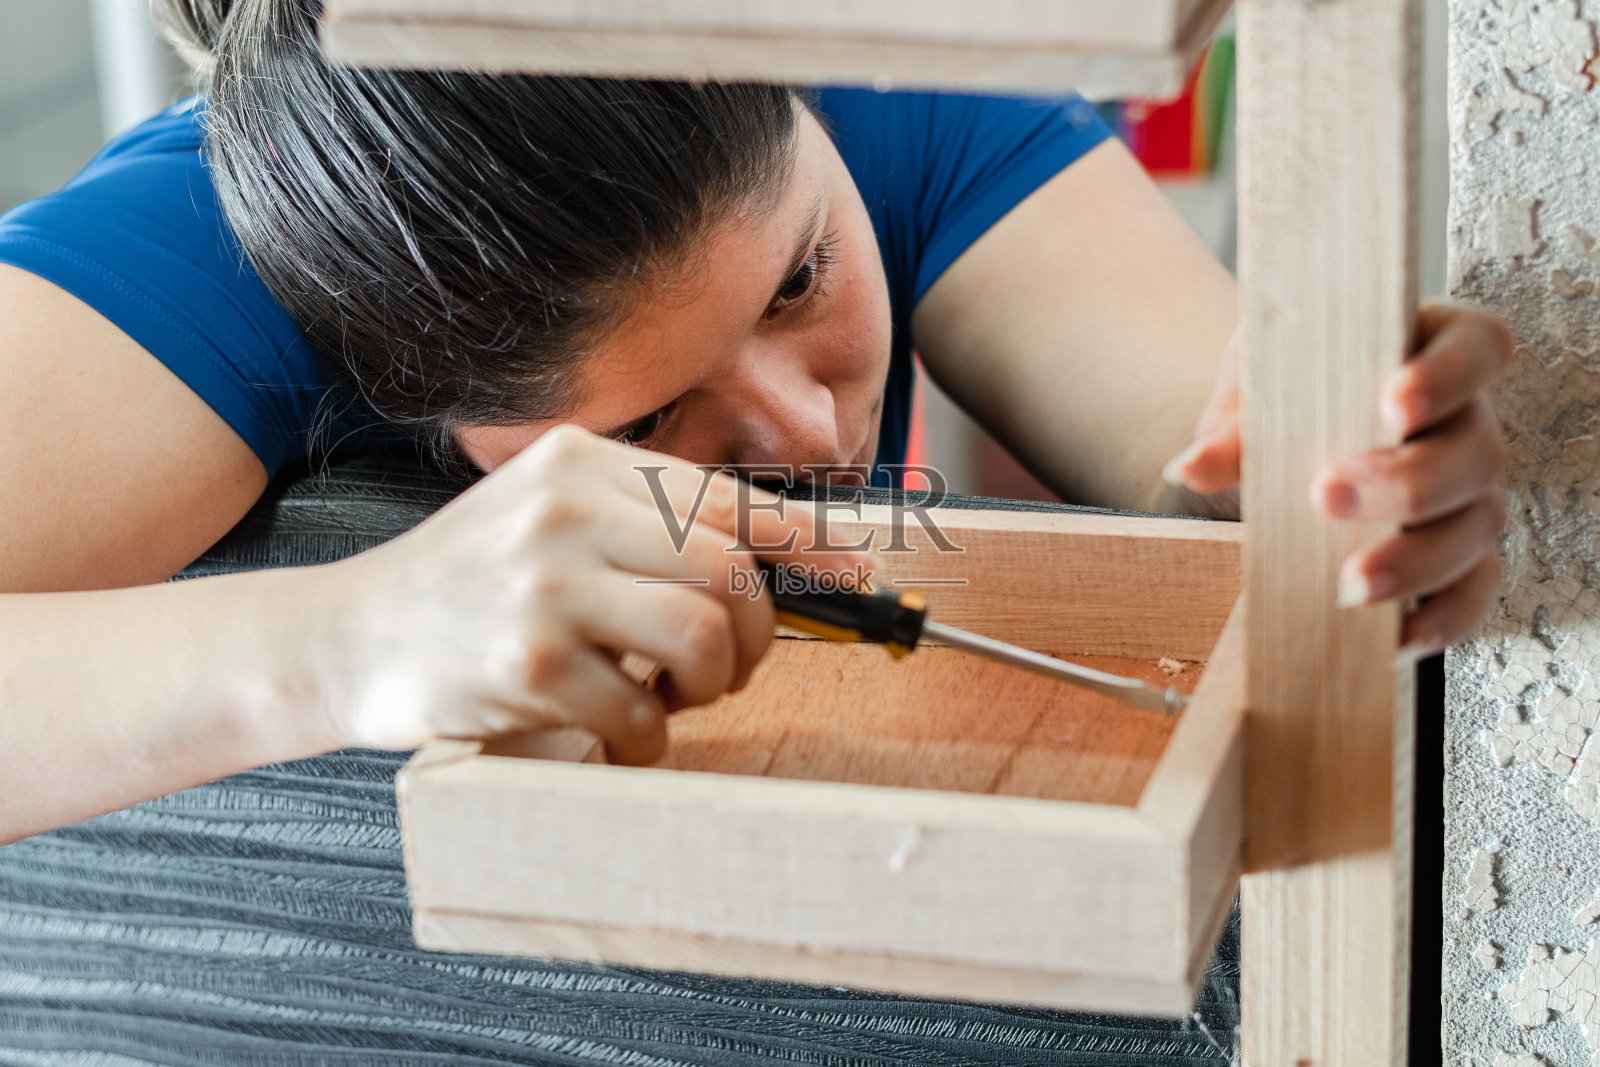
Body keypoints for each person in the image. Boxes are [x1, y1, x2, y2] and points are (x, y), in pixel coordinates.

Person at [0, 0, 1510, 845]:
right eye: (649, 413)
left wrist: (1351, 466)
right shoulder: (206, 260)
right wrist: (342, 643)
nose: (799, 428)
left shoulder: (880, 85)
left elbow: (1213, 449)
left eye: (801, 278)